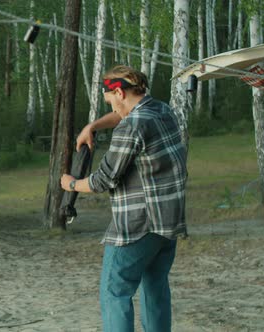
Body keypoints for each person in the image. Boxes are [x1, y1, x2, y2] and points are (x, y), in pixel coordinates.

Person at [60, 65, 187, 332]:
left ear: (119, 92)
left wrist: (70, 184)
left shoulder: (132, 127)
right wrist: (93, 125)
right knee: (155, 288)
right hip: (168, 224)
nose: (113, 109)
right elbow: (122, 115)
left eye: (111, 102)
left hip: (138, 226)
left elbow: (103, 180)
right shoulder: (163, 110)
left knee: (115, 293)